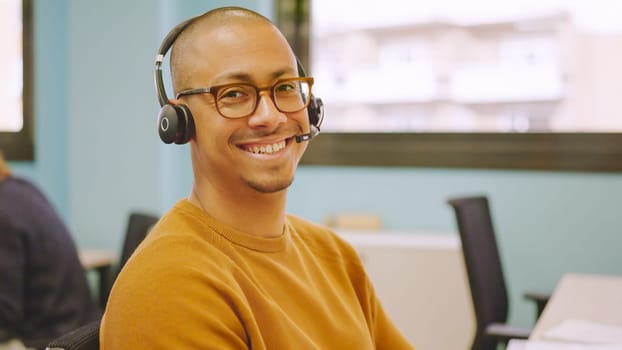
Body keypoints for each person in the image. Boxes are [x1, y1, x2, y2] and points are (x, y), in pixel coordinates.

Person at [101, 6, 413, 349]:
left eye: (285, 88)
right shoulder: (168, 285)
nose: (270, 115)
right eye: (234, 94)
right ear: (179, 120)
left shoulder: (334, 256)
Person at [0, 153, 100, 350]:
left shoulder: (3, 212)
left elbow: (4, 314)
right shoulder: (25, 190)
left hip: (45, 341)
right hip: (80, 335)